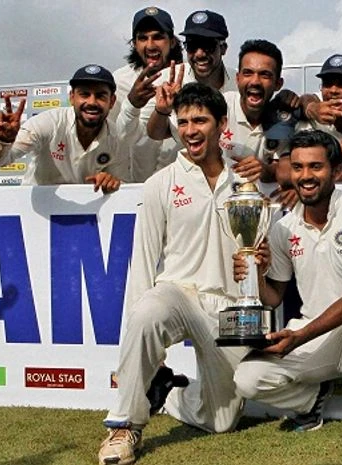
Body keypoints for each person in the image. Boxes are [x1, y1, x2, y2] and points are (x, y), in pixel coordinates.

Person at [97, 83, 246, 465]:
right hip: (178, 295)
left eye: (200, 120)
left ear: (222, 124)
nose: (191, 130)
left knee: (223, 421)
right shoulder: (160, 183)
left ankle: (170, 392)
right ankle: (124, 424)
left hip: (229, 309)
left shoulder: (244, 179)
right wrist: (137, 324)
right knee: (150, 308)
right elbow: (144, 262)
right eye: (183, 122)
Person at [232, 129, 342, 458]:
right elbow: (274, 296)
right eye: (299, 167)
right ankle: (313, 398)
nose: (306, 176)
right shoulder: (282, 227)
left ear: (336, 171)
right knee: (247, 379)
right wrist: (254, 274)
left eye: (316, 167)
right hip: (315, 338)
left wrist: (301, 335)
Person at [148, 39, 290, 191]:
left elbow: (293, 168)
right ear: (238, 78)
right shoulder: (220, 104)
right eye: (248, 73)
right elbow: (157, 133)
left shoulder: (287, 119)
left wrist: (267, 171)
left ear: (278, 84)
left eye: (265, 75)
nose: (255, 81)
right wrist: (162, 110)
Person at [0, 64, 133, 193]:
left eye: (100, 96)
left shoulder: (117, 138)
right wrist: (3, 140)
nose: (92, 102)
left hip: (84, 215)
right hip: (35, 213)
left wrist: (111, 182)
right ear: (72, 97)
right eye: (84, 94)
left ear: (112, 101)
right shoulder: (47, 123)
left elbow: (121, 184)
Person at [112, 6, 185, 182]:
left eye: (158, 37)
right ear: (134, 44)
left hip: (178, 185)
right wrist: (132, 103)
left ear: (172, 41)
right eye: (143, 38)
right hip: (132, 187)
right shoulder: (119, 80)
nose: (151, 45)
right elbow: (115, 139)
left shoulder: (188, 76)